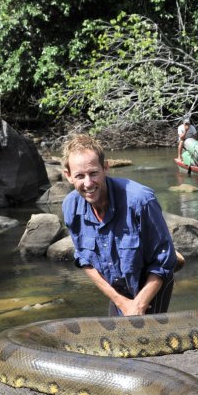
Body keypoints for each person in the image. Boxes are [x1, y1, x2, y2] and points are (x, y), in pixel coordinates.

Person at [62, 134, 178, 316]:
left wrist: (139, 305)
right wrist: (121, 302)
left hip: (151, 279)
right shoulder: (70, 206)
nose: (88, 183)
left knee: (144, 337)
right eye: (79, 176)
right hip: (117, 285)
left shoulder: (141, 200)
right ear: (68, 176)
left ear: (105, 168)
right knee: (120, 337)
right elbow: (85, 261)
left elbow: (163, 261)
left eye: (93, 173)